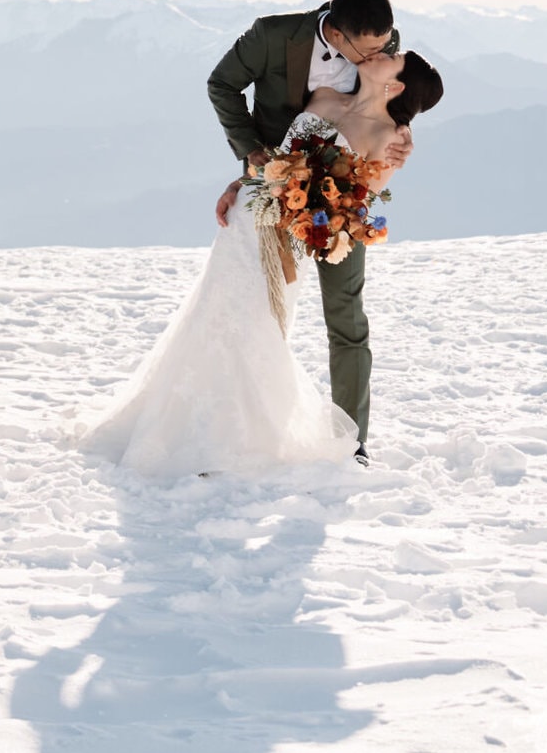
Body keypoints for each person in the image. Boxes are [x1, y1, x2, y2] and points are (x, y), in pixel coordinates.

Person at [83, 44, 443, 478]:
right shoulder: (326, 96)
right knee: (214, 312)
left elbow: (353, 208)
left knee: (255, 323)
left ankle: (235, 437)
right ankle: (181, 424)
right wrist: (243, 182)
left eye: (391, 58)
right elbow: (277, 155)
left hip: (287, 239)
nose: (381, 52)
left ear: (395, 86)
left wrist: (301, 208)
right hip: (244, 219)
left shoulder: (389, 140)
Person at [205, 0, 397, 458]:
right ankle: (241, 433)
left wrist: (402, 134)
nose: (380, 56)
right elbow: (221, 84)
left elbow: (397, 101)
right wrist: (252, 156)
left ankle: (352, 444)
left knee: (347, 317)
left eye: (384, 46)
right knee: (258, 310)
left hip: (345, 198)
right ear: (338, 33)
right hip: (274, 193)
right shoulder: (272, 36)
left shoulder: (381, 42)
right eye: (369, 51)